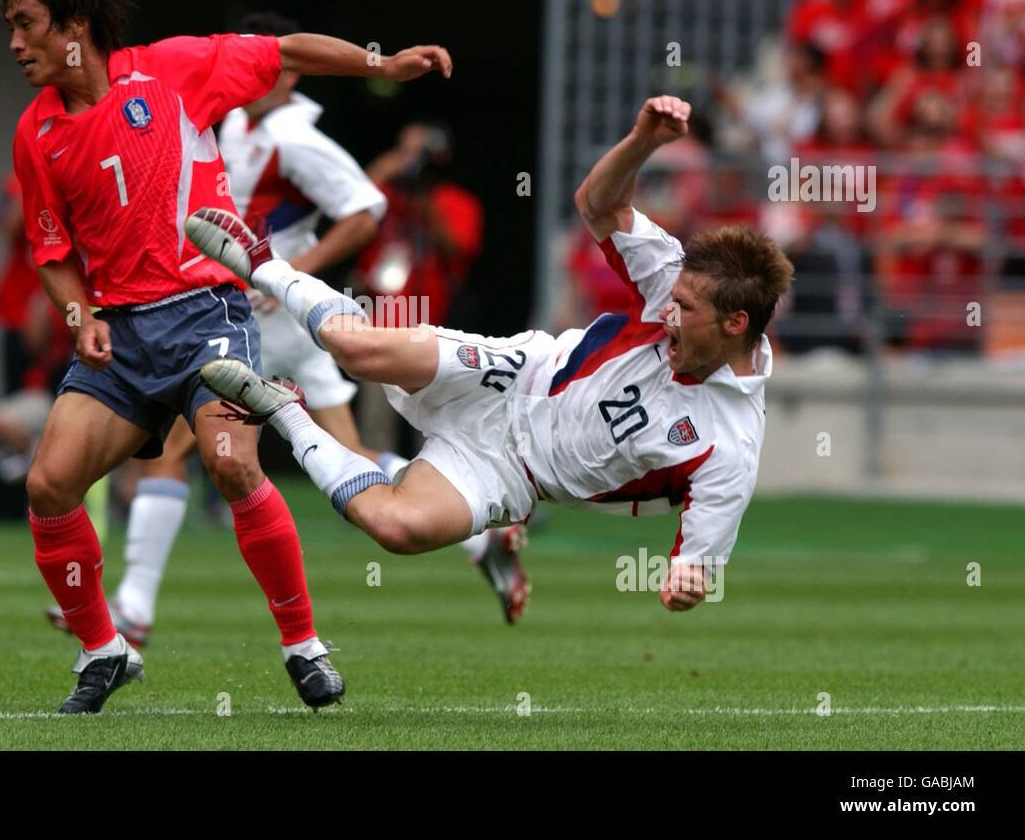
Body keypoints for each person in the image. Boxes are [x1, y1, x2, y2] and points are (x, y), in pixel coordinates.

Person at [0, 0, 452, 713]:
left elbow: (290, 53)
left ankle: (303, 644)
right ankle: (104, 649)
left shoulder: (171, 71)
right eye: (10, 26)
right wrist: (80, 316)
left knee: (233, 463)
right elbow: (49, 249)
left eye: (27, 24)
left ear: (74, 28)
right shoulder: (34, 133)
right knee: (47, 484)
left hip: (206, 312)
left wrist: (382, 64)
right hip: (123, 338)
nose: (15, 43)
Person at [186, 96, 794, 612]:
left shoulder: (730, 445)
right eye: (675, 296)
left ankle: (284, 412)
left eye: (686, 309)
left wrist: (687, 582)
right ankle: (260, 262)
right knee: (357, 348)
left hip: (516, 472)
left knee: (397, 528)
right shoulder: (671, 278)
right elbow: (599, 203)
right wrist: (641, 140)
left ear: (735, 323)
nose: (668, 310)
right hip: (518, 377)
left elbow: (695, 568)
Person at [50, 13, 527, 645]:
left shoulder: (294, 137)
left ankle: (134, 606)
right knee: (348, 452)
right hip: (278, 314)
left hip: (264, 312)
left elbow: (367, 208)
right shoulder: (241, 124)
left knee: (169, 452)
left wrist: (287, 274)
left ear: (284, 75)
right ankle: (481, 528)